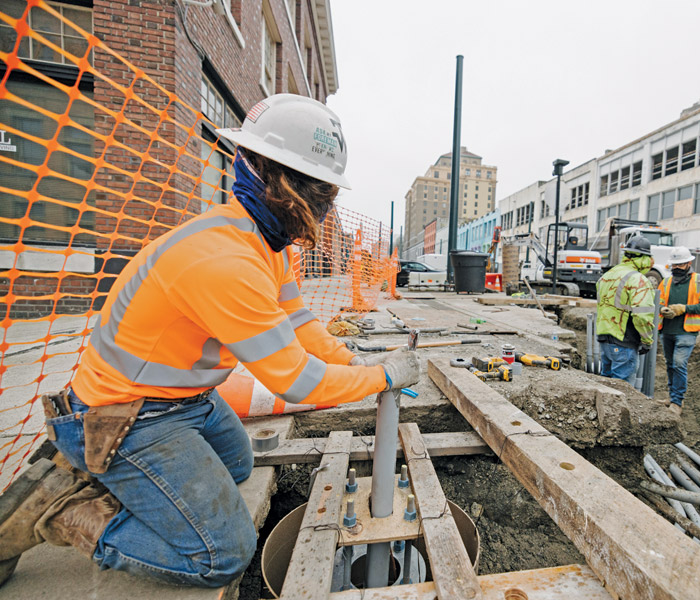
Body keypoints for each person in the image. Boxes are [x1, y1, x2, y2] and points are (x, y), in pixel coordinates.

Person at [0, 94, 419, 588]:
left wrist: (353, 357)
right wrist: (381, 377)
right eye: (311, 190)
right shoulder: (225, 262)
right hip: (125, 415)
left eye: (324, 192)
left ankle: (114, 476)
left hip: (186, 401)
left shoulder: (267, 244)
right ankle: (64, 510)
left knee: (239, 464)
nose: (319, 206)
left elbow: (301, 323)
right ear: (264, 174)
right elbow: (298, 381)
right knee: (221, 554)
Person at [657, 246, 700, 417]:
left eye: (681, 264)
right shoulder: (667, 282)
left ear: (689, 263)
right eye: (674, 265)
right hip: (667, 330)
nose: (677, 268)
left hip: (686, 331)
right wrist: (662, 309)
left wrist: (684, 309)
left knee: (678, 364)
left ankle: (677, 401)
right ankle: (672, 397)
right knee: (670, 365)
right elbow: (659, 301)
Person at [594, 236, 656, 386]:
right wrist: (647, 340)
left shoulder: (607, 275)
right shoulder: (638, 280)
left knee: (606, 386)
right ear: (642, 258)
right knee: (622, 391)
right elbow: (642, 315)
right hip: (625, 341)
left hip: (605, 339)